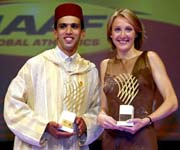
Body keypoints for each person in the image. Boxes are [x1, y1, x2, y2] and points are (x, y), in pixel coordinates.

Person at [3, 3, 103, 150]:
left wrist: (86, 124)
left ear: (82, 33)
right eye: (63, 26)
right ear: (55, 32)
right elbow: (12, 105)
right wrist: (44, 127)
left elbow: (98, 109)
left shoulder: (89, 71)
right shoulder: (36, 65)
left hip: (74, 146)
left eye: (74, 26)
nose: (68, 31)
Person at [97, 8, 178, 150]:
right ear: (110, 34)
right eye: (117, 29)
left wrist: (147, 120)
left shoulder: (150, 58)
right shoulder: (105, 64)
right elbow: (105, 107)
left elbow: (172, 102)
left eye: (128, 29)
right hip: (112, 140)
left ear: (136, 32)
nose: (122, 35)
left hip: (142, 139)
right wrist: (101, 116)